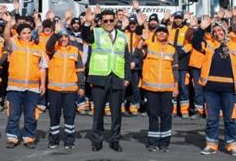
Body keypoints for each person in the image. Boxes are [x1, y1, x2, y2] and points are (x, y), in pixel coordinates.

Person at [81, 8, 129, 151]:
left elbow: (126, 57)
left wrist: (127, 77)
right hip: (99, 78)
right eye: (105, 21)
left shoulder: (122, 36)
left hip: (117, 77)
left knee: (116, 113)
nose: (108, 23)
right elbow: (85, 36)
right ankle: (97, 141)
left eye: (111, 20)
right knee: (98, 113)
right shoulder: (96, 33)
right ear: (101, 22)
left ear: (115, 20)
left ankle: (114, 140)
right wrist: (87, 23)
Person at [194, 19, 236, 156]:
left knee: (230, 119)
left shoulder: (235, 46)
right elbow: (195, 43)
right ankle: (211, 145)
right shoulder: (209, 45)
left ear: (225, 31)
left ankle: (232, 146)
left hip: (229, 89)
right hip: (211, 89)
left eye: (220, 30)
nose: (217, 33)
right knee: (212, 119)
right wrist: (200, 29)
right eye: (214, 31)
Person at [3, 20, 45, 148]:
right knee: (13, 114)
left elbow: (42, 67)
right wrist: (8, 25)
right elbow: (6, 37)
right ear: (19, 35)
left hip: (32, 89)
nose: (27, 35)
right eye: (24, 33)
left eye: (28, 32)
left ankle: (29, 138)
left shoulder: (38, 49)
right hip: (15, 88)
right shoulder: (15, 45)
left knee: (31, 115)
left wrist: (42, 84)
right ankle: (12, 138)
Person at [139, 25, 178, 151]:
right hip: (151, 88)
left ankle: (164, 143)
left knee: (166, 115)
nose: (161, 34)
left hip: (167, 88)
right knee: (153, 115)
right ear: (156, 34)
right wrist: (141, 40)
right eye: (159, 32)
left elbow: (175, 69)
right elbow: (136, 54)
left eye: (164, 32)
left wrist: (176, 86)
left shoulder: (172, 50)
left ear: (167, 35)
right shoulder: (149, 47)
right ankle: (153, 142)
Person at [44, 29, 82, 149]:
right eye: (61, 37)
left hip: (71, 91)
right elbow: (48, 45)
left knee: (70, 115)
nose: (63, 39)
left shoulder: (75, 51)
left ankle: (69, 141)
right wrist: (55, 34)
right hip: (54, 89)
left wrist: (81, 86)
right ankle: (53, 140)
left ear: (69, 38)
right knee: (54, 115)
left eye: (66, 36)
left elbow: (80, 70)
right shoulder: (53, 49)